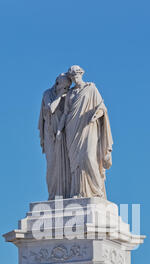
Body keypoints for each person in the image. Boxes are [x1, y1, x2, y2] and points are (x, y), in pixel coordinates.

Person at [57, 65, 113, 198]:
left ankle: (96, 190)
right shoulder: (70, 93)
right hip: (72, 128)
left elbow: (102, 107)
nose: (74, 78)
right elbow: (65, 113)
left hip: (88, 126)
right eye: (71, 76)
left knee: (88, 156)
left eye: (76, 75)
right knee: (75, 162)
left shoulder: (91, 89)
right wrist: (60, 129)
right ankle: (78, 192)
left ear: (81, 74)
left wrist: (97, 114)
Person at [38, 73, 72, 199]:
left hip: (62, 133)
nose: (66, 90)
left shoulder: (67, 96)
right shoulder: (48, 94)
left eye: (67, 88)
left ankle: (65, 193)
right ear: (57, 84)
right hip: (50, 134)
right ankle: (53, 194)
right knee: (52, 165)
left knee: (65, 165)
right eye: (64, 87)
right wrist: (59, 96)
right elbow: (50, 109)